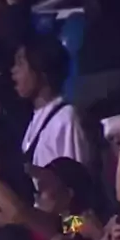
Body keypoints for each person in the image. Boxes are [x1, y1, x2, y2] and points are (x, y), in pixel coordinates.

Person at [12, 32, 89, 166]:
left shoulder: (65, 119)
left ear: (41, 69)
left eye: (20, 63)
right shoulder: (35, 120)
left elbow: (75, 175)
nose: (13, 70)